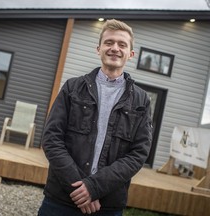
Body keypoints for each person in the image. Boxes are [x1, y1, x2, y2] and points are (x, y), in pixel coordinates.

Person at [38, 19, 153, 216]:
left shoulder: (142, 100)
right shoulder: (72, 88)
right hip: (61, 199)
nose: (114, 48)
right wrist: (79, 188)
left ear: (130, 54)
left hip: (106, 205)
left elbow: (138, 154)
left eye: (122, 44)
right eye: (109, 42)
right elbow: (51, 139)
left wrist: (94, 187)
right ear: (98, 49)